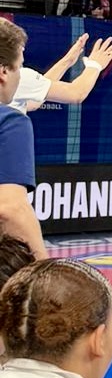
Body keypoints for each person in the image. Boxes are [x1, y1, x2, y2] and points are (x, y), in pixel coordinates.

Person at [0, 19, 45, 257]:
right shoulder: (11, 121)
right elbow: (11, 208)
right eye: (20, 67)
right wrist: (42, 272)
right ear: (4, 72)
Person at [8, 35, 112, 113]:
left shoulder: (18, 82)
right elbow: (77, 94)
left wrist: (67, 60)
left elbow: (33, 102)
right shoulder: (16, 77)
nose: (22, 49)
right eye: (19, 47)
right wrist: (95, 65)